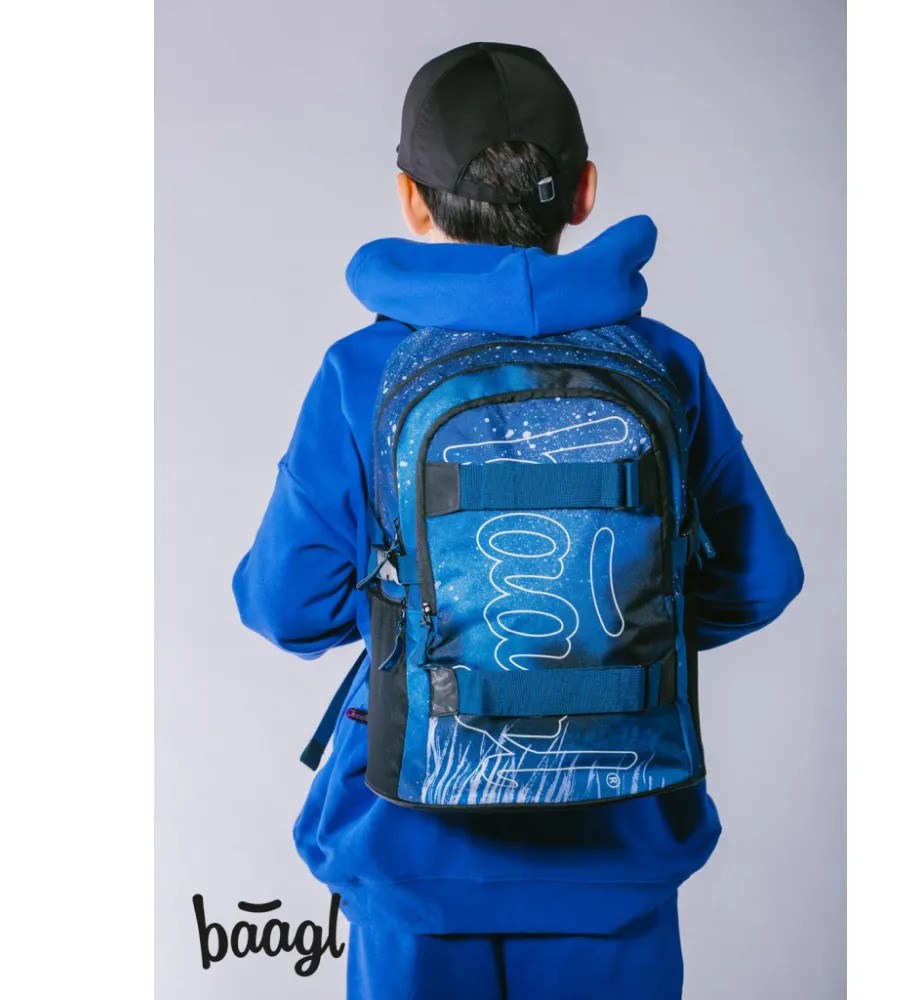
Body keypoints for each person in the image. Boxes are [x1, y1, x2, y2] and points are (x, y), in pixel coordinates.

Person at [233, 41, 803, 1000]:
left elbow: (287, 606)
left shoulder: (361, 371)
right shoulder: (664, 362)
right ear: (583, 193)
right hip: (618, 836)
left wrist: (431, 617)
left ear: (412, 200)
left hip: (411, 840)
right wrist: (611, 631)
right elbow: (761, 578)